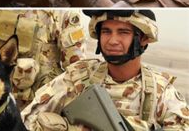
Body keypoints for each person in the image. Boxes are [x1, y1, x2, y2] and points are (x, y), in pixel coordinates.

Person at [21, 10, 189, 130]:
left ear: (143, 39)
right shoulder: (77, 77)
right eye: (106, 31)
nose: (112, 41)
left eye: (123, 32)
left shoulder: (161, 93)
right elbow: (27, 119)